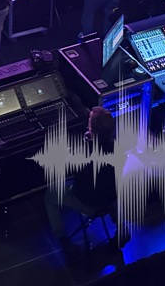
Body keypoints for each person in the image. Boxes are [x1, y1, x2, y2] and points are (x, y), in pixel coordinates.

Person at [44, 106, 118, 249]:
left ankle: (63, 241)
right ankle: (122, 230)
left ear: (91, 128)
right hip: (111, 198)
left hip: (87, 203)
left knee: (49, 195)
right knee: (109, 189)